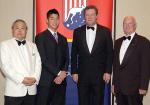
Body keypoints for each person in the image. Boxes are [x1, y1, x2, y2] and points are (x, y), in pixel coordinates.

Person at [71, 5, 113, 105]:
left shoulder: (106, 31)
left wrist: (107, 71)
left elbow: (110, 53)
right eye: (87, 15)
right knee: (83, 101)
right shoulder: (77, 32)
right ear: (84, 16)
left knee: (98, 102)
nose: (89, 17)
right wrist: (74, 72)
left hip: (99, 76)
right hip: (82, 76)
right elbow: (73, 53)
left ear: (96, 16)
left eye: (92, 14)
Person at [0, 19, 41, 105]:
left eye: (22, 28)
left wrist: (35, 78)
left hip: (31, 91)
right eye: (17, 28)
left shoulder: (33, 45)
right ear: (12, 30)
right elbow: (5, 66)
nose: (20, 30)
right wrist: (22, 79)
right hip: (14, 91)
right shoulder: (5, 45)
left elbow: (38, 64)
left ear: (26, 30)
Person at [112, 16, 150, 105]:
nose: (127, 26)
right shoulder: (117, 42)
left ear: (135, 25)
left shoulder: (144, 42)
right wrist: (114, 84)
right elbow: (116, 66)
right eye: (125, 24)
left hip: (135, 88)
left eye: (130, 23)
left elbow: (146, 66)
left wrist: (143, 86)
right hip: (119, 88)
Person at [35, 9, 69, 105]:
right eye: (52, 19)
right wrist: (58, 73)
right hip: (46, 81)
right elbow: (43, 59)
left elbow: (67, 59)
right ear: (47, 20)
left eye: (57, 19)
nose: (55, 21)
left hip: (61, 82)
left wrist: (62, 75)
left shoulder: (63, 38)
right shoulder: (40, 37)